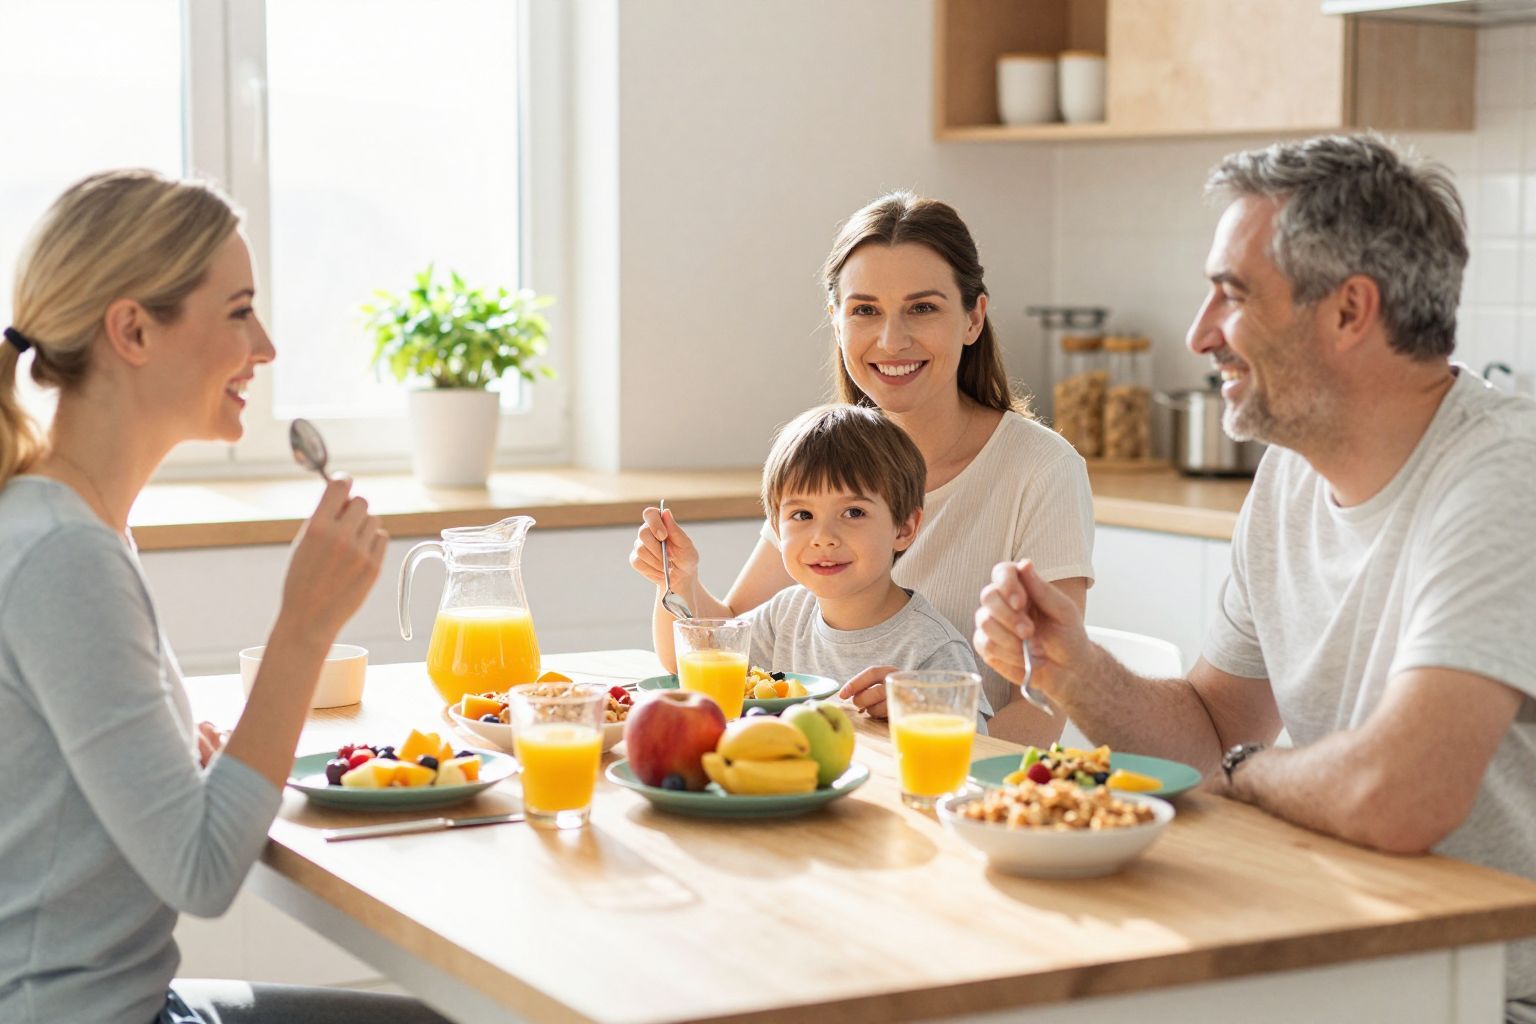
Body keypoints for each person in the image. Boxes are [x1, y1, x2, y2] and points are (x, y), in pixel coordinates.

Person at [972, 134, 1536, 1013]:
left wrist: (1248, 774)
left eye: (1230, 296)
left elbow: (1399, 797)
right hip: (1348, 946)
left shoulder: (1506, 477)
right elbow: (1208, 731)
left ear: (1350, 311)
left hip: (1484, 988)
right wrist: (1073, 669)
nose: (1199, 334)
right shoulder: (1291, 473)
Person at [0, 170, 447, 1024]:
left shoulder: (68, 523)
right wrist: (304, 627)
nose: (266, 346)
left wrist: (180, 758)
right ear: (132, 329)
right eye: (239, 311)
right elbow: (203, 875)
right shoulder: (63, 555)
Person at [631, 193, 1093, 741]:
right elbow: (727, 644)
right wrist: (678, 583)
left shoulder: (1041, 469)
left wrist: (931, 729)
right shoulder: (828, 466)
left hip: (949, 790)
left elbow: (1048, 700)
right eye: (865, 310)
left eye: (923, 308)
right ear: (836, 321)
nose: (891, 340)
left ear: (973, 318)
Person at [650, 404, 984, 715]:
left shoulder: (934, 650)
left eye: (853, 512)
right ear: (777, 532)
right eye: (803, 514)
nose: (823, 536)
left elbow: (972, 753)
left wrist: (915, 709)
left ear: (905, 527)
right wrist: (676, 579)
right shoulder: (786, 615)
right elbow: (690, 664)